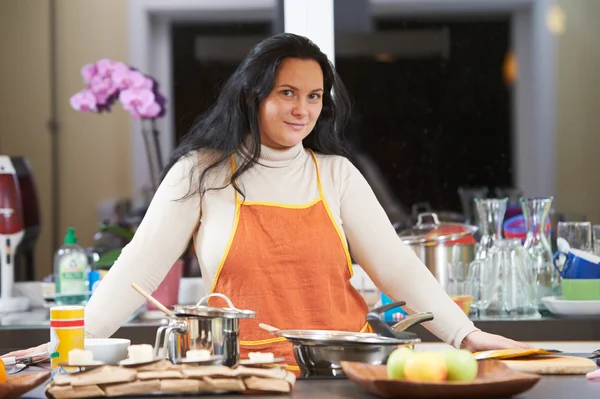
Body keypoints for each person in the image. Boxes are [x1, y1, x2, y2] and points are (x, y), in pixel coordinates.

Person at [3, 33, 530, 371]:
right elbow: (135, 273)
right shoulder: (203, 173)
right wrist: (65, 344)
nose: (303, 110)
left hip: (341, 373)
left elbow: (398, 270)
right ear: (253, 95)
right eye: (287, 93)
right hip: (242, 377)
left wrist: (465, 334)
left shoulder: (337, 175)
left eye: (314, 96)